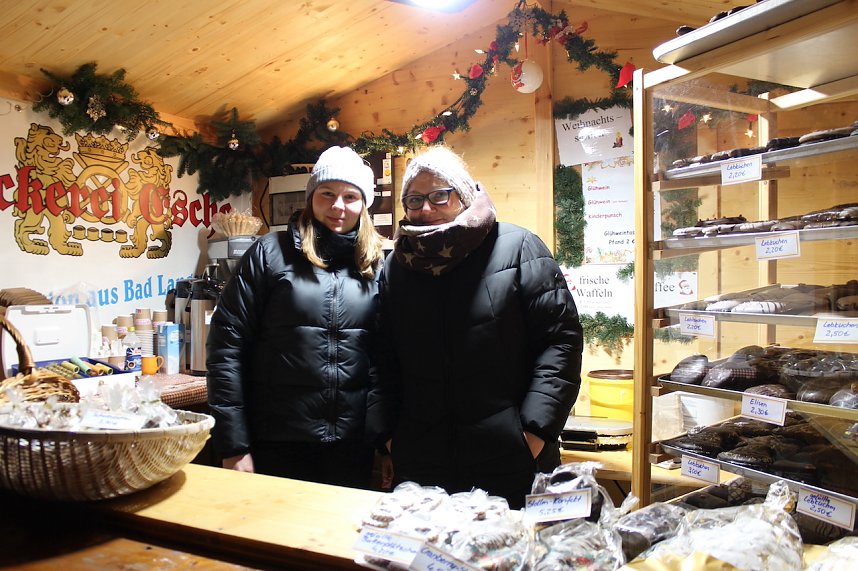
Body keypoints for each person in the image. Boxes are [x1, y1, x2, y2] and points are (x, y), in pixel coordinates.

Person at [368, 145, 584, 509]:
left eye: (439, 195)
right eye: (415, 199)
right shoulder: (398, 267)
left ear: (464, 195)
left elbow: (559, 344)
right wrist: (388, 437)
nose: (426, 209)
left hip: (511, 463)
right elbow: (382, 358)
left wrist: (532, 434)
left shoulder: (519, 249)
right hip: (422, 466)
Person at [206, 146, 385, 489]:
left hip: (350, 449)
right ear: (311, 197)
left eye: (350, 196)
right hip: (277, 443)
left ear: (364, 204)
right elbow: (226, 349)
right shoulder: (269, 253)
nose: (338, 206)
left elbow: (383, 360)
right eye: (327, 193)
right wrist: (233, 445)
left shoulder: (376, 266)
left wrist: (383, 439)